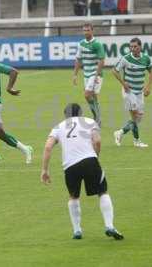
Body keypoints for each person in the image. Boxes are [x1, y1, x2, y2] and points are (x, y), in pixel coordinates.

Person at [41, 103, 124, 240]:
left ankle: (77, 230)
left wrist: (44, 170)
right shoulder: (89, 122)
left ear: (65, 115)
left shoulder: (59, 126)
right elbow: (97, 141)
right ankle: (109, 226)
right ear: (80, 113)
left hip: (70, 166)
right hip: (90, 161)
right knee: (102, 192)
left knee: (73, 196)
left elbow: (48, 147)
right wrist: (95, 156)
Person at [112, 37, 152, 148]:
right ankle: (136, 141)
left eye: (135, 46)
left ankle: (120, 132)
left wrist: (148, 87)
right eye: (131, 47)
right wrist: (123, 84)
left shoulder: (146, 59)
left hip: (139, 92)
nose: (133, 48)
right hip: (128, 92)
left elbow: (151, 73)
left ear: (140, 47)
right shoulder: (125, 59)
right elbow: (114, 71)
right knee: (135, 115)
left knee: (138, 118)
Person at [73, 23, 105, 125]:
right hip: (86, 74)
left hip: (95, 74)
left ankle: (96, 116)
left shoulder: (97, 44)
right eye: (84, 30)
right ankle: (97, 117)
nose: (86, 32)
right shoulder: (81, 44)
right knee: (94, 97)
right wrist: (75, 74)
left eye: (88, 30)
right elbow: (78, 59)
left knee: (87, 95)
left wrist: (96, 75)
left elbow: (102, 60)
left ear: (92, 31)